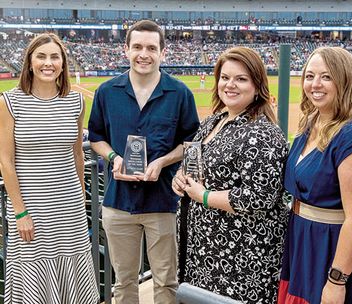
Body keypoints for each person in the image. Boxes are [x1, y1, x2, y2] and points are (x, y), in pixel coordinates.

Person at [88, 20, 199, 304]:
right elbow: (97, 137)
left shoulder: (180, 93)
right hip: (119, 202)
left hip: (163, 202)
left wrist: (162, 161)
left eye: (151, 47)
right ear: (125, 50)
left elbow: (191, 142)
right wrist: (114, 157)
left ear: (163, 52)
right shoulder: (106, 92)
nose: (143, 54)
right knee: (124, 283)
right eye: (137, 46)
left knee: (166, 282)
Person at [172, 46, 288, 303]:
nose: (230, 85)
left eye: (241, 79)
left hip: (241, 259)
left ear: (257, 85)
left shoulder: (263, 133)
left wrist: (203, 196)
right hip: (205, 252)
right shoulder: (214, 121)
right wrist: (179, 178)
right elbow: (194, 163)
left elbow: (259, 198)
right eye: (225, 78)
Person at [278, 47, 352, 304]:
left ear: (345, 81)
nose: (315, 84)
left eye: (326, 77)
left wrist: (337, 281)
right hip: (306, 240)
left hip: (338, 251)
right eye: (309, 75)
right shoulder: (311, 122)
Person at [0, 33, 99, 303]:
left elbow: (78, 154)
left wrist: (80, 197)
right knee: (33, 278)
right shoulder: (9, 102)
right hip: (31, 209)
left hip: (69, 209)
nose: (48, 63)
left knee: (74, 280)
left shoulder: (75, 102)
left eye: (55, 57)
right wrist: (20, 212)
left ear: (63, 63)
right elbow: (5, 160)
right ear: (29, 62)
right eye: (41, 56)